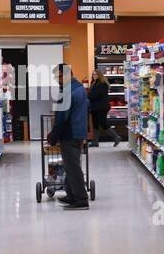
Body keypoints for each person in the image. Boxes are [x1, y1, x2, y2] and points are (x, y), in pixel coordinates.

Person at [46, 64, 91, 210]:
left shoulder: (67, 91)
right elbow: (87, 106)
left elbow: (61, 118)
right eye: (56, 77)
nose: (57, 79)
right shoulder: (79, 87)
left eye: (59, 76)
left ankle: (81, 200)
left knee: (73, 168)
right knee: (71, 166)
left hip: (70, 133)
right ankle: (71, 195)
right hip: (78, 132)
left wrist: (53, 137)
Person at [88, 71, 119, 146]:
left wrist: (88, 96)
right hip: (95, 107)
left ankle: (116, 137)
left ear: (99, 75)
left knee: (103, 123)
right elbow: (92, 94)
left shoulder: (102, 84)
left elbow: (96, 95)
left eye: (95, 74)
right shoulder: (94, 83)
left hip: (102, 107)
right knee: (95, 123)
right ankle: (95, 142)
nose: (94, 75)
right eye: (93, 74)